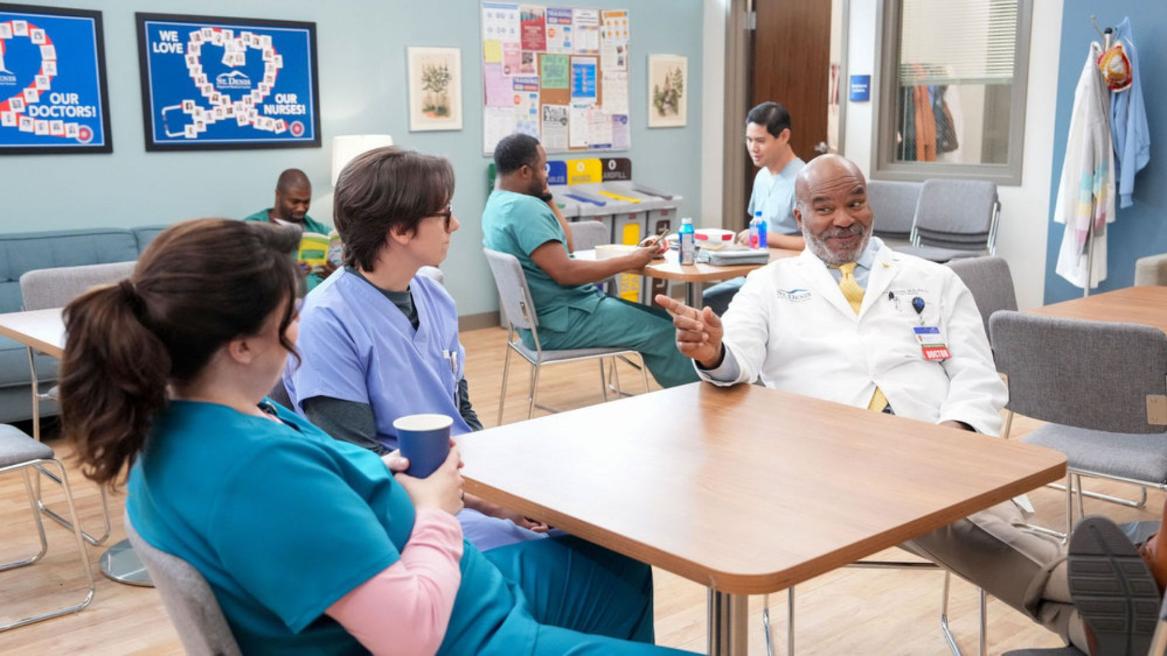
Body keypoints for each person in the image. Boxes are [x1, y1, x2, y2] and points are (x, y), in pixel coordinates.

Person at [56, 218, 691, 656]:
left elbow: (317, 497)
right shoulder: (250, 473)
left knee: (617, 557)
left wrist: (399, 481)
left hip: (461, 590)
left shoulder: (206, 423)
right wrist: (436, 513)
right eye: (290, 316)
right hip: (460, 632)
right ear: (243, 344)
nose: (301, 330)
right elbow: (409, 634)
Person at [657, 153, 1167, 654]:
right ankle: (1130, 573)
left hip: (938, 446)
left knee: (932, 500)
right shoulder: (768, 286)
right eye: (824, 208)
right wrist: (713, 350)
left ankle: (1094, 628)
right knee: (930, 504)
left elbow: (977, 373)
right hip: (824, 462)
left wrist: (957, 434)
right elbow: (735, 357)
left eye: (855, 203)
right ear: (800, 216)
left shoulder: (934, 278)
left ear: (870, 205)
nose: (842, 219)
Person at [285, 146, 549, 552]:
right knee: (561, 561)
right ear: (401, 230)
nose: (456, 224)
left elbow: (460, 412)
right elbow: (356, 459)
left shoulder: (434, 297)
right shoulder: (327, 320)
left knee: (597, 540)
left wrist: (505, 485)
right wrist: (482, 501)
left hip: (466, 483)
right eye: (445, 214)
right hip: (404, 510)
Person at [482, 133, 697, 389]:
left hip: (543, 321)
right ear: (525, 172)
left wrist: (546, 195)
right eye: (543, 168)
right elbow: (566, 272)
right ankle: (703, 401)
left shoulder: (497, 204)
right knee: (667, 331)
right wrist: (631, 260)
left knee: (662, 319)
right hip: (561, 322)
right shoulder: (524, 209)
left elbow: (567, 246)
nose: (547, 174)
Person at [703, 101, 807, 315]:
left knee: (708, 306)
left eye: (760, 141)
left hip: (788, 282)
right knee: (701, 302)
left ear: (784, 136)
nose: (753, 148)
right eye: (749, 140)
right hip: (756, 273)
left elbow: (813, 244)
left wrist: (767, 237)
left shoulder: (805, 181)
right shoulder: (762, 177)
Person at [244, 168, 335, 292]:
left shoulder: (320, 230)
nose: (301, 208)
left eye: (306, 202)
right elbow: (244, 279)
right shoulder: (253, 227)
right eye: (295, 202)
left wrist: (334, 273)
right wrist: (287, 275)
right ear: (278, 195)